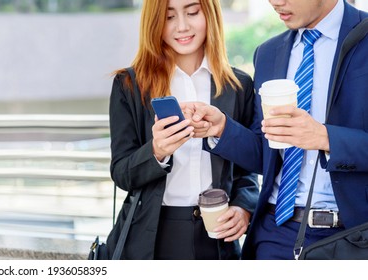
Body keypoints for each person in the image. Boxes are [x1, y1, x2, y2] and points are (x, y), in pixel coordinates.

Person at [189, 0, 368, 259]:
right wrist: (223, 128)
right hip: (274, 232)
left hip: (353, 238)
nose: (275, 2)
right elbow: (267, 155)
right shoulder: (268, 53)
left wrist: (326, 138)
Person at [106, 0, 259, 260]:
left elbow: (248, 169)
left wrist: (244, 208)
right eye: (169, 17)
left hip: (217, 234)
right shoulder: (130, 85)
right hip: (151, 236)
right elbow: (121, 173)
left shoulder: (239, 86)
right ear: (154, 23)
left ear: (209, 14)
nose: (182, 26)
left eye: (192, 12)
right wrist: (157, 151)